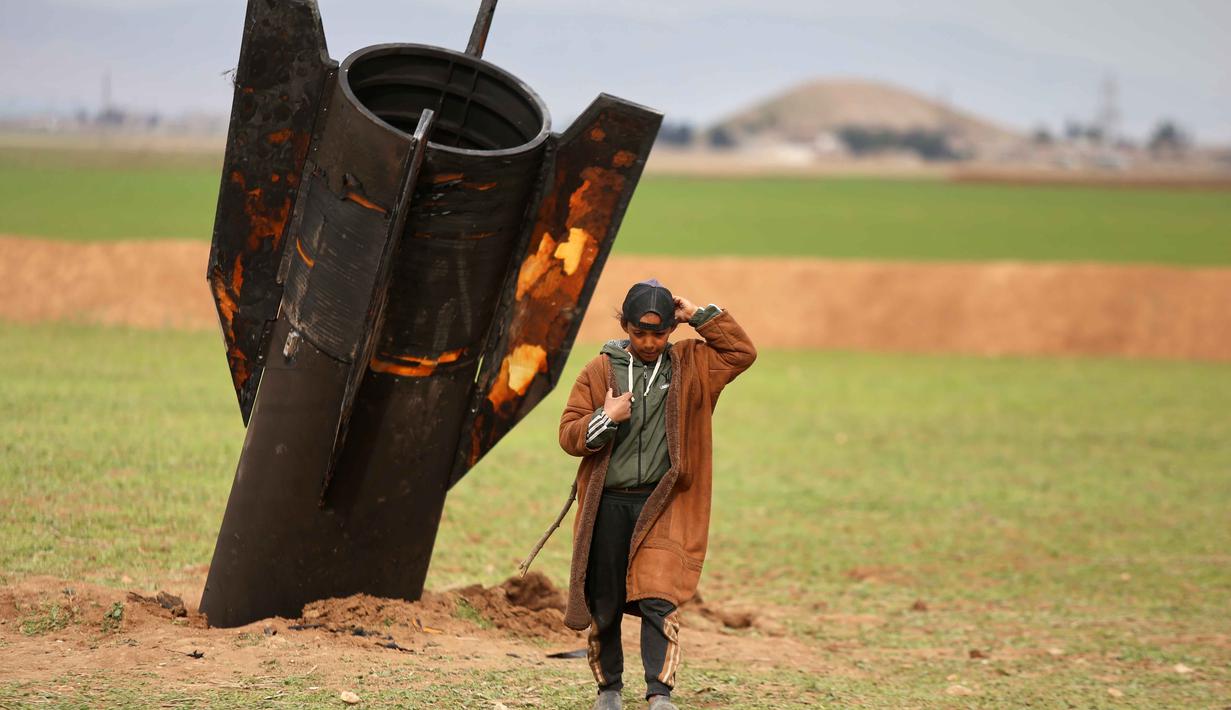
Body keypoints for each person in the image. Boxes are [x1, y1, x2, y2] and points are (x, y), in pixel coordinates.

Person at [557, 279, 756, 710]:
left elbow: (741, 353)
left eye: (660, 332)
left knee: (658, 597)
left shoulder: (693, 364)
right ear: (625, 325)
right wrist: (605, 417)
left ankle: (659, 693)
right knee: (605, 599)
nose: (649, 342)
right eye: (639, 332)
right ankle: (609, 688)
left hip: (663, 505)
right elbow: (569, 435)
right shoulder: (599, 370)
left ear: (672, 328)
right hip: (608, 504)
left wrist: (699, 315)